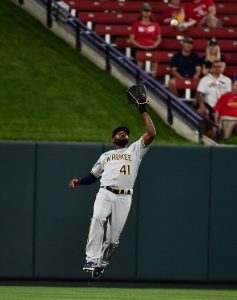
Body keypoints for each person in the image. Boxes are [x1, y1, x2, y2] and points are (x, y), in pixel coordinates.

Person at [69, 99, 156, 280]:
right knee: (98, 217)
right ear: (113, 139)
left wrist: (143, 110)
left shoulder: (135, 150)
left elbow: (151, 133)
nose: (122, 133)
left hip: (124, 197)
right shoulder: (105, 156)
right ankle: (91, 259)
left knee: (112, 240)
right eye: (119, 133)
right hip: (105, 192)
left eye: (124, 132)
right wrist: (79, 181)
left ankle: (101, 263)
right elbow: (93, 176)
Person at [129, 3, 162, 77]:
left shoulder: (155, 25)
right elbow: (132, 39)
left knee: (155, 60)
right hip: (139, 47)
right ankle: (139, 77)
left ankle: (153, 78)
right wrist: (141, 46)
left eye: (148, 11)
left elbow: (159, 39)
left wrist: (154, 45)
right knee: (140, 59)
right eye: (145, 10)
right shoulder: (136, 24)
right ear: (141, 12)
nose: (146, 12)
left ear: (150, 12)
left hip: (152, 47)